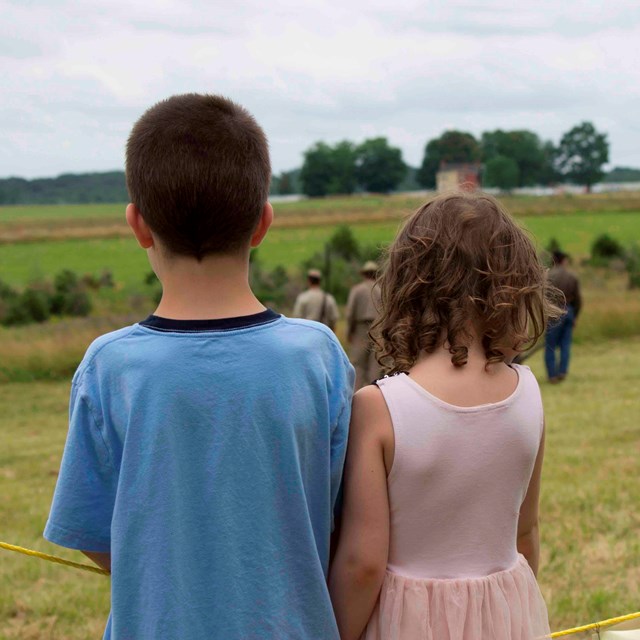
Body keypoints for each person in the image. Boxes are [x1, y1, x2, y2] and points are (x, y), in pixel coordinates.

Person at [43, 94, 354, 640]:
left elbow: (92, 531)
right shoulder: (318, 356)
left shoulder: (110, 367)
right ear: (263, 223)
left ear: (138, 225)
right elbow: (340, 512)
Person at [330, 192, 562, 640]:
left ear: (408, 285)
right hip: (506, 615)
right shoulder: (529, 394)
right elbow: (525, 533)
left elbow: (363, 564)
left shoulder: (378, 408)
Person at [545, 250, 582, 383]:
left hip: (553, 311)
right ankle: (562, 371)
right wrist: (575, 316)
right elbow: (578, 300)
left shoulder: (548, 276)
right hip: (569, 311)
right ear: (563, 261)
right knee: (565, 344)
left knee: (550, 345)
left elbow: (544, 297)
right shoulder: (572, 276)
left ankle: (552, 375)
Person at [346, 261, 381, 389]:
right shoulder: (381, 290)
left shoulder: (357, 290)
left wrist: (349, 332)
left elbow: (350, 314)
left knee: (358, 364)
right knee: (375, 364)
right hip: (378, 328)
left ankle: (357, 393)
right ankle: (374, 392)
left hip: (360, 328)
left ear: (364, 274)